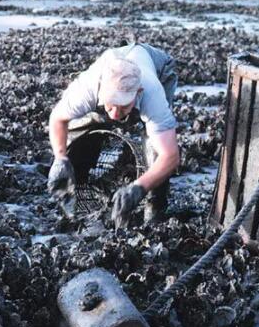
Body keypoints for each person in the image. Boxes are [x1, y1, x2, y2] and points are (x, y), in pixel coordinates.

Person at [47, 43, 180, 228]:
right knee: (81, 129)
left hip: (159, 67)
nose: (116, 115)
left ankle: (154, 210)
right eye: (111, 104)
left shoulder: (151, 92)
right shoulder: (87, 88)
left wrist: (139, 187)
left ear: (138, 93)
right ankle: (76, 194)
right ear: (102, 91)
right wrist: (60, 158)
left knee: (154, 148)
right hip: (110, 65)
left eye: (124, 105)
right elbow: (57, 119)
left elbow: (171, 155)